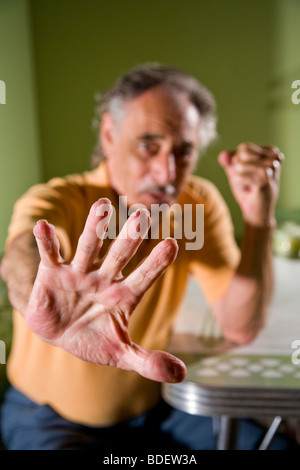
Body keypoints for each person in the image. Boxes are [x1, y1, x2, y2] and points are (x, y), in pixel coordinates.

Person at [0, 64, 293, 450]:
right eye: (149, 145)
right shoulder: (59, 199)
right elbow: (20, 254)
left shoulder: (197, 204)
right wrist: (40, 295)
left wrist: (259, 219)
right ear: (109, 135)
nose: (168, 173)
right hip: (48, 415)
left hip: (157, 406)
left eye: (183, 152)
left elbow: (239, 325)